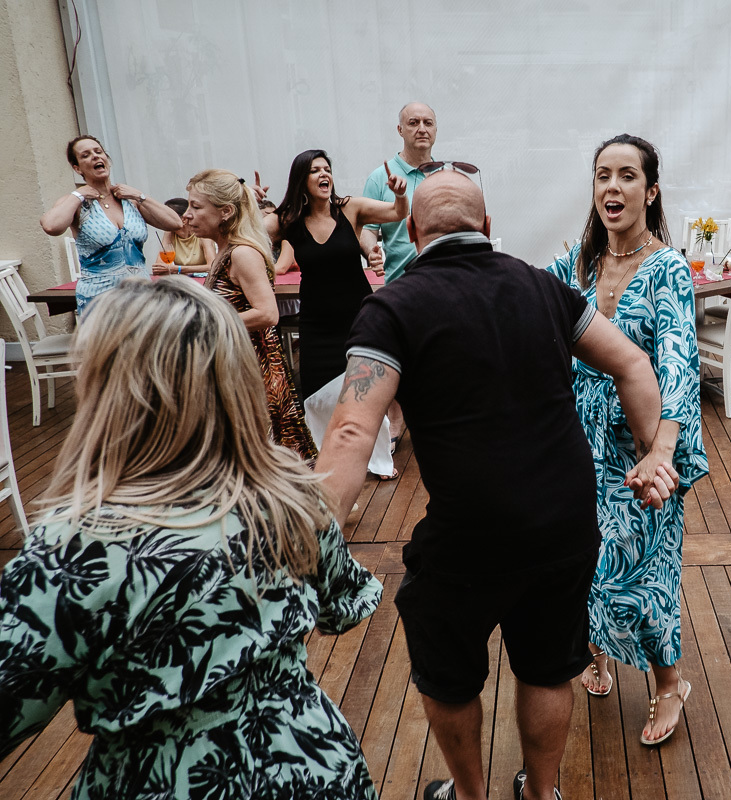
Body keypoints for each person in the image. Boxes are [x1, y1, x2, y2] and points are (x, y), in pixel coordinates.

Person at [315, 168, 676, 800]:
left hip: (467, 533)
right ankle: (541, 793)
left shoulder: (394, 306)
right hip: (563, 523)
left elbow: (350, 433)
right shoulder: (544, 289)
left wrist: (311, 534)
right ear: (487, 226)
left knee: (449, 677)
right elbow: (633, 362)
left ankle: (472, 796)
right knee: (548, 668)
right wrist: (652, 455)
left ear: (411, 231)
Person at [0, 277, 382, 797]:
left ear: (106, 391)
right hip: (313, 767)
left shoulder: (73, 551)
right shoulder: (293, 498)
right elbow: (344, 604)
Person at [546, 134, 709, 746]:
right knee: (586, 562)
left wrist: (661, 452)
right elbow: (536, 303)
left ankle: (669, 684)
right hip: (579, 445)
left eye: (626, 176)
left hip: (643, 450)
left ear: (651, 189)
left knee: (642, 575)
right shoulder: (578, 265)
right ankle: (598, 655)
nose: (612, 187)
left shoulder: (666, 268)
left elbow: (678, 367)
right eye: (601, 176)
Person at [183, 168, 317, 461]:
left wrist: (205, 322)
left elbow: (268, 314)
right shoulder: (224, 250)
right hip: (236, 362)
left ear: (225, 212)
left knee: (261, 451)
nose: (186, 215)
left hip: (253, 368)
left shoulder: (242, 254)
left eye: (195, 206)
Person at [265, 149, 408, 402]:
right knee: (316, 400)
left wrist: (399, 194)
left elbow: (398, 212)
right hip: (316, 327)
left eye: (327, 170)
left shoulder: (350, 208)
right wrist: (249, 205)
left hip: (359, 321)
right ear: (301, 179)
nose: (324, 174)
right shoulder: (288, 219)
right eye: (315, 170)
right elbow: (248, 236)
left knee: (366, 397)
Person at [39, 135, 181, 316]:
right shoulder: (76, 203)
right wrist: (78, 194)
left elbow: (175, 222)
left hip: (141, 297)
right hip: (98, 301)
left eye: (98, 152)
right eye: (86, 155)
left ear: (107, 159)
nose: (95, 156)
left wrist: (139, 195)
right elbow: (51, 226)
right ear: (77, 168)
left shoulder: (130, 200)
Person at [359, 101, 438, 282]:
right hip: (401, 285)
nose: (422, 129)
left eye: (428, 123)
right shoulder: (379, 178)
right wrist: (372, 251)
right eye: (413, 123)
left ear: (435, 130)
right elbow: (367, 229)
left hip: (445, 285)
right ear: (400, 130)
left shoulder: (446, 176)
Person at [152, 197, 216, 275]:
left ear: (184, 220)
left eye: (167, 217)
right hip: (183, 281)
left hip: (202, 282)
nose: (163, 221)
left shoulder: (201, 233)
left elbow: (212, 266)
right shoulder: (169, 233)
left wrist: (179, 269)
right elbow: (160, 267)